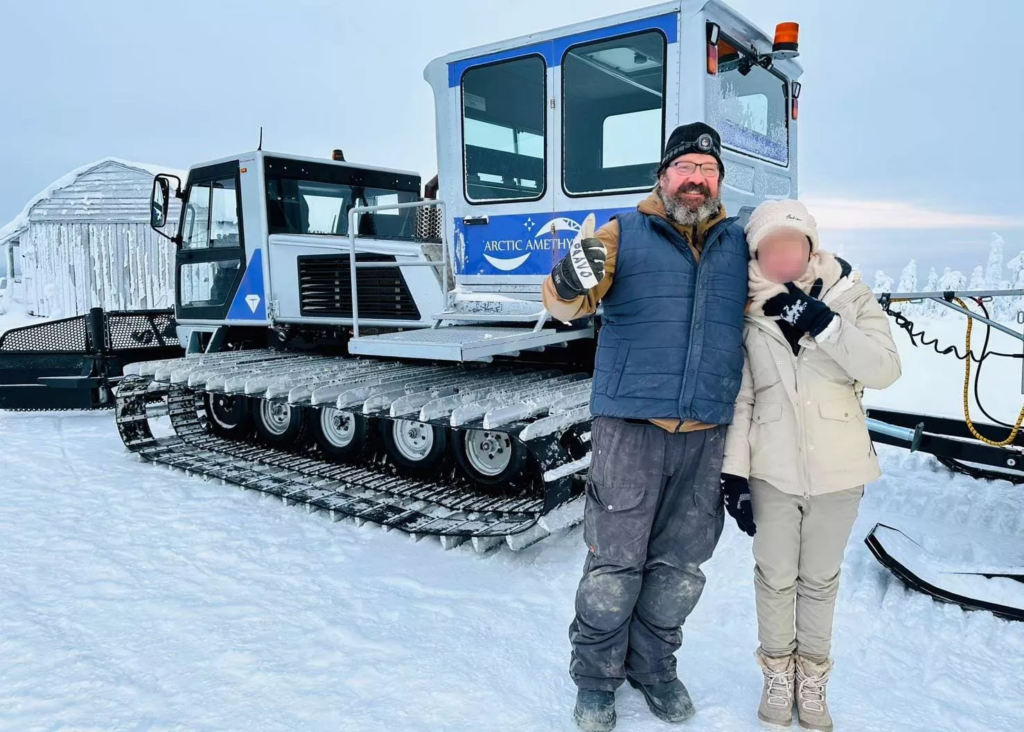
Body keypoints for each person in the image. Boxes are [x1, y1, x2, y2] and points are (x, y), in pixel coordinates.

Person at [543, 123, 749, 732]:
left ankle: (655, 668)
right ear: (663, 177)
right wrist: (568, 278)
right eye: (684, 167)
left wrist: (826, 270)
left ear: (718, 183)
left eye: (706, 170)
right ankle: (597, 679)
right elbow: (564, 303)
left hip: (707, 429)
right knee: (614, 562)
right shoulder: (622, 232)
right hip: (630, 425)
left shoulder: (740, 241)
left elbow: (789, 277)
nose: (695, 179)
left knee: (682, 567)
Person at [720, 199, 900, 730]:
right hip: (771, 469)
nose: (783, 256)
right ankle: (777, 674)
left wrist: (823, 323)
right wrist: (734, 474)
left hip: (840, 470)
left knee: (820, 580)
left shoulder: (849, 294)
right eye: (771, 246)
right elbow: (743, 398)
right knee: (775, 578)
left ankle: (813, 680)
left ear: (810, 247)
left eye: (792, 244)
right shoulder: (746, 311)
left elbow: (885, 368)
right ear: (757, 252)